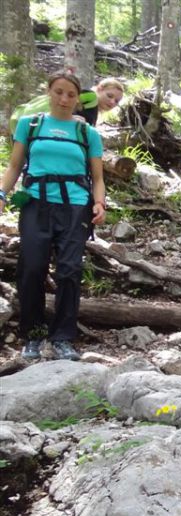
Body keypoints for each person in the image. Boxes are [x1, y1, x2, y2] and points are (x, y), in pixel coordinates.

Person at [0, 71, 107, 361]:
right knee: (32, 268)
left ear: (77, 100)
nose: (64, 99)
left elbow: (97, 177)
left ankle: (63, 337)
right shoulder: (29, 125)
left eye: (71, 95)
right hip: (36, 204)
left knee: (70, 271)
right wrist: (1, 195)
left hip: (75, 207)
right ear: (49, 93)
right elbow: (14, 166)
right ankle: (32, 334)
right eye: (59, 92)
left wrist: (99, 203)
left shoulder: (88, 134)